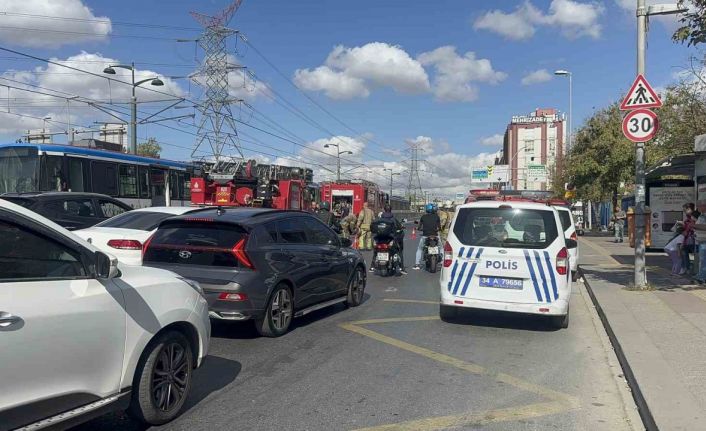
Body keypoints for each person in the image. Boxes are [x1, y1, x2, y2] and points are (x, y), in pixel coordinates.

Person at [371, 204, 407, 274]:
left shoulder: (379, 219)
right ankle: (401, 267)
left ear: (384, 210)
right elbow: (399, 227)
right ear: (391, 210)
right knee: (399, 250)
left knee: (375, 251)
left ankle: (372, 266)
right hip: (390, 239)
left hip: (380, 239)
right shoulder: (393, 219)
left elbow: (373, 228)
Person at [414, 203, 441, 270]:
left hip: (425, 236)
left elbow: (419, 227)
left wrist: (419, 229)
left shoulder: (423, 217)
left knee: (420, 249)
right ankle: (442, 262)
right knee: (441, 248)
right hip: (435, 235)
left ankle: (417, 264)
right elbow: (439, 227)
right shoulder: (437, 217)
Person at [679, 203, 697, 275]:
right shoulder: (686, 219)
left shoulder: (695, 217)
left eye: (685, 210)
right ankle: (686, 268)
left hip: (694, 239)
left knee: (694, 255)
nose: (684, 212)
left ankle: (692, 269)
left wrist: (688, 230)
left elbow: (695, 227)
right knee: (684, 253)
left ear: (690, 209)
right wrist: (682, 228)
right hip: (686, 240)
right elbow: (685, 228)